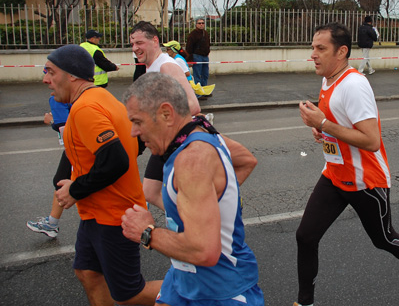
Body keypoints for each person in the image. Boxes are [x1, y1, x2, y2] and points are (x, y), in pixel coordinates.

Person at [295, 22, 399, 305]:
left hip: (365, 180)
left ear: (342, 51)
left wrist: (323, 122)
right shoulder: (328, 79)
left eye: (320, 48)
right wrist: (321, 128)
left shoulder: (354, 85)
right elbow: (336, 121)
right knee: (305, 237)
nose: (313, 54)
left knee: (383, 238)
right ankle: (305, 302)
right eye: (313, 47)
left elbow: (371, 140)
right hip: (335, 175)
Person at [121, 72, 263, 305]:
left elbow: (203, 251)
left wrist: (146, 232)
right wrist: (210, 203)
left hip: (220, 291)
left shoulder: (191, 160)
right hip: (184, 277)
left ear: (166, 113)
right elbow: (247, 160)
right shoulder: (201, 134)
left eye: (138, 121)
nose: (133, 132)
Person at [43, 44, 161, 305]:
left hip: (113, 216)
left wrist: (75, 190)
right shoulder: (101, 98)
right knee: (88, 273)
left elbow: (115, 160)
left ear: (71, 75)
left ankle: (205, 291)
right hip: (96, 213)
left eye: (50, 71)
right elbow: (131, 144)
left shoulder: (86, 109)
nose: (45, 79)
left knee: (131, 294)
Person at [130, 21, 202, 209]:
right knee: (151, 192)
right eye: (132, 44)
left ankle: (193, 222)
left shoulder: (166, 67)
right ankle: (188, 219)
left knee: (161, 191)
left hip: (180, 140)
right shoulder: (151, 67)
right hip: (166, 139)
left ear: (155, 40)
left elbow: (193, 106)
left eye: (139, 43)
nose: (135, 48)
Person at [26, 95, 72, 238]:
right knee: (60, 180)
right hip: (78, 147)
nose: (45, 79)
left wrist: (52, 121)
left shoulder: (58, 98)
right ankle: (52, 223)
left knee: (65, 182)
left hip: (77, 148)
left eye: (50, 72)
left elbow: (67, 133)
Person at [185, 18, 210, 86]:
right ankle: (198, 93)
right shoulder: (193, 34)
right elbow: (189, 47)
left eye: (202, 23)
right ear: (196, 24)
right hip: (197, 56)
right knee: (197, 75)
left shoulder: (205, 33)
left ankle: (204, 90)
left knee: (205, 74)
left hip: (205, 57)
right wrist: (190, 59)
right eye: (199, 23)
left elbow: (208, 44)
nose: (201, 25)